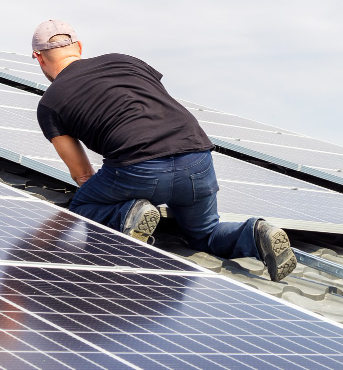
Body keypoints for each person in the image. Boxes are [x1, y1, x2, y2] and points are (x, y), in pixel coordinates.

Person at [30, 19, 296, 282]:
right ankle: (256, 233)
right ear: (79, 46)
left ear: (39, 58)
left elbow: (83, 175)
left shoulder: (51, 103)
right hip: (196, 157)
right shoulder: (126, 61)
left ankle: (128, 214)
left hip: (138, 167)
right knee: (204, 234)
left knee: (82, 204)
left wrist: (119, 196)